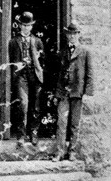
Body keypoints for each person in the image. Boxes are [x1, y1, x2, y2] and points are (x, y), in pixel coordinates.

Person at [53, 22, 93, 161]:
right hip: (64, 92)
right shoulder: (63, 52)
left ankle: (72, 152)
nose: (72, 36)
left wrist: (87, 93)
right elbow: (59, 74)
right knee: (61, 122)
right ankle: (59, 152)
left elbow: (90, 73)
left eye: (74, 34)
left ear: (78, 35)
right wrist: (57, 94)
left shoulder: (85, 51)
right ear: (67, 35)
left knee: (75, 124)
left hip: (77, 92)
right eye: (69, 34)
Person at [8, 11, 44, 146]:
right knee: (23, 104)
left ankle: (33, 132)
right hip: (21, 76)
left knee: (36, 106)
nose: (26, 28)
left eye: (28, 25)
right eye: (23, 25)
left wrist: (39, 68)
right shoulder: (13, 41)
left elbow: (43, 60)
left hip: (34, 75)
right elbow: (11, 60)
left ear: (32, 26)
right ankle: (21, 135)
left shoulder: (38, 41)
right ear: (19, 25)